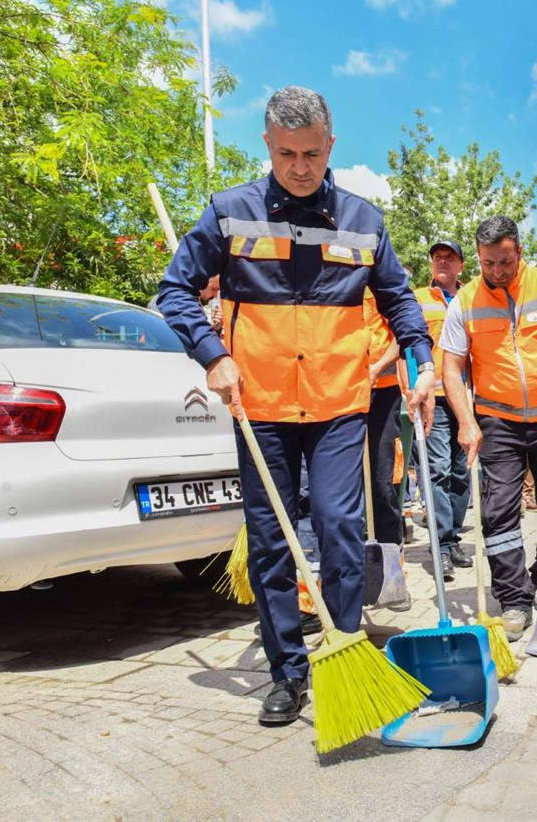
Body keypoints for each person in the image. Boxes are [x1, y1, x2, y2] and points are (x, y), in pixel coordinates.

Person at [157, 86, 436, 727]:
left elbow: (400, 303)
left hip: (340, 404)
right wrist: (212, 355)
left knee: (340, 530)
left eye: (312, 152)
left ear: (331, 145)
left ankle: (341, 651)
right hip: (262, 406)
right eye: (287, 154)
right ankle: (286, 670)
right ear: (267, 146)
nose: (301, 166)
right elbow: (174, 290)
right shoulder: (230, 213)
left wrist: (418, 364)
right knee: (272, 542)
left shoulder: (363, 221)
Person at [441, 216, 537, 640]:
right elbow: (451, 366)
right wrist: (466, 422)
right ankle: (515, 599)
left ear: (519, 252)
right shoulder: (464, 301)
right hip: (496, 420)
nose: (497, 272)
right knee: (498, 512)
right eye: (488, 264)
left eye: (504, 262)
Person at [412, 240, 474, 574]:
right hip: (433, 398)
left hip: (464, 399)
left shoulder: (472, 298)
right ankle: (443, 546)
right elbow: (408, 344)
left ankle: (452, 538)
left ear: (461, 266)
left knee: (462, 473)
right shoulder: (418, 299)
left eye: (449, 258)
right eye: (437, 258)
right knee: (438, 470)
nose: (442, 262)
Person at [363, 289, 405, 549]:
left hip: (382, 393)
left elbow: (403, 334)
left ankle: (391, 556)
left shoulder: (380, 284)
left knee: (381, 482)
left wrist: (375, 370)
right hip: (339, 396)